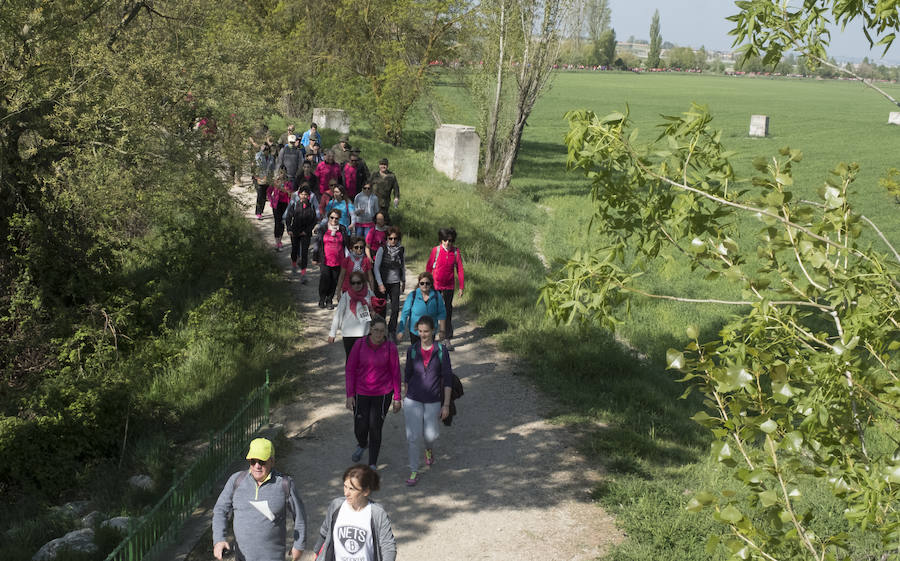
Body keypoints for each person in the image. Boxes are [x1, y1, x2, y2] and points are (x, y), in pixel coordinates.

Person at [212, 438, 307, 561]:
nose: (257, 466)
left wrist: (299, 545)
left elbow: (300, 516)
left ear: (272, 461)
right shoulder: (236, 481)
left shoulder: (285, 484)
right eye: (253, 461)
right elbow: (220, 510)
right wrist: (219, 539)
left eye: (262, 461)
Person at [402, 315, 453, 486]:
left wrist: (446, 404)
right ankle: (414, 470)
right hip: (413, 399)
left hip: (433, 399)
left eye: (426, 331)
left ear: (433, 331)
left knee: (431, 434)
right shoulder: (412, 350)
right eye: (420, 331)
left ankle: (429, 450)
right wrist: (404, 395)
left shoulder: (441, 351)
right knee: (413, 437)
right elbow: (407, 375)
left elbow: (447, 379)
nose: (423, 335)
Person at [345, 318, 402, 467]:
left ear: (385, 333)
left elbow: (396, 373)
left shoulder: (390, 348)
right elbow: (350, 369)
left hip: (382, 394)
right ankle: (362, 444)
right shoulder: (359, 345)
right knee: (360, 426)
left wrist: (397, 397)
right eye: (376, 330)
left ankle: (372, 464)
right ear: (370, 329)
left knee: (375, 427)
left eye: (382, 331)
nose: (378, 334)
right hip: (361, 392)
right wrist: (350, 394)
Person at [313, 465, 396, 561]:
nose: (346, 493)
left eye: (352, 489)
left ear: (366, 491)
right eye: (345, 486)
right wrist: (316, 554)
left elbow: (388, 547)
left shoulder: (377, 514)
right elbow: (324, 531)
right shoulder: (336, 506)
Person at [426, 227, 465, 351]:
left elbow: (460, 269)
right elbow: (428, 268)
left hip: (449, 285)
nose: (448, 243)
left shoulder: (455, 252)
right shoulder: (435, 251)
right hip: (436, 284)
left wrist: (461, 286)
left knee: (447, 311)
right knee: (433, 310)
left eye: (450, 240)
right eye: (445, 240)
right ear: (441, 240)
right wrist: (426, 285)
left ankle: (446, 338)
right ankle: (431, 336)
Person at [312, 209, 351, 309]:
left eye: (336, 218)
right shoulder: (323, 228)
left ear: (339, 219)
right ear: (328, 218)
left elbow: (347, 243)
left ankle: (329, 300)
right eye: (332, 217)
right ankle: (322, 299)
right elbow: (317, 244)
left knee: (334, 281)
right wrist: (315, 257)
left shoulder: (342, 229)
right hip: (325, 259)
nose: (334, 220)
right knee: (324, 279)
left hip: (339, 260)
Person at [329, 271, 374, 359]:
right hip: (349, 334)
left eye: (358, 283)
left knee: (364, 360)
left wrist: (373, 312)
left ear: (363, 282)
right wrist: (332, 333)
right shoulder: (346, 296)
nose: (356, 285)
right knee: (350, 360)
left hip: (364, 333)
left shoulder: (369, 294)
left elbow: (376, 308)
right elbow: (338, 315)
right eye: (353, 283)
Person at [397, 272, 447, 346]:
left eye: (427, 283)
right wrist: (401, 331)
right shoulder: (412, 296)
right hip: (415, 332)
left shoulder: (436, 296)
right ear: (419, 284)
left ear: (431, 284)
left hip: (430, 331)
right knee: (416, 354)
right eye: (422, 283)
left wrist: (442, 330)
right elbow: (404, 314)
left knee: (428, 354)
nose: (425, 285)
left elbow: (442, 313)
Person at [374, 227, 405, 341]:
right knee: (382, 308)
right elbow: (376, 268)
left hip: (395, 282)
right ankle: (381, 331)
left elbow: (403, 266)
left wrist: (404, 280)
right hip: (383, 282)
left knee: (395, 308)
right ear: (386, 238)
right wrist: (380, 284)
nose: (392, 241)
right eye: (390, 238)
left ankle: (392, 331)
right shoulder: (382, 249)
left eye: (395, 239)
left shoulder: (401, 250)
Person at [285, 185, 318, 281]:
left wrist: (306, 231)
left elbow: (314, 221)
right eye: (302, 194)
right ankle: (294, 266)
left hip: (305, 233)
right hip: (295, 231)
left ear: (308, 196)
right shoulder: (294, 205)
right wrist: (289, 229)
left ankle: (303, 274)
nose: (303, 196)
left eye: (305, 194)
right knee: (294, 251)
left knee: (304, 253)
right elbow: (288, 217)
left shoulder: (311, 207)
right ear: (299, 195)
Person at [267, 169, 292, 250]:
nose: (282, 174)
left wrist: (287, 191)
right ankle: (277, 241)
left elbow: (291, 193)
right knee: (277, 222)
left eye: (283, 172)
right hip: (276, 205)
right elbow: (268, 192)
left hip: (285, 204)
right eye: (280, 172)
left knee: (282, 222)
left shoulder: (288, 183)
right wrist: (271, 200)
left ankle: (280, 240)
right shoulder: (275, 182)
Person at [368, 158, 399, 222]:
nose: (383, 166)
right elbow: (368, 185)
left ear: (387, 165)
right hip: (374, 201)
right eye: (381, 164)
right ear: (379, 166)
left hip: (385, 202)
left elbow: (396, 188)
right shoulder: (374, 174)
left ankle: (383, 231)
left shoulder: (391, 176)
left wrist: (396, 197)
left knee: (383, 219)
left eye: (385, 164)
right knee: (373, 219)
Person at [253, 144, 276, 220]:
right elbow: (255, 168)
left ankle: (261, 211)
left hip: (268, 179)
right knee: (260, 195)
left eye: (266, 151)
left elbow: (273, 168)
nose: (264, 152)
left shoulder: (271, 158)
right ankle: (258, 212)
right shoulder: (258, 156)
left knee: (264, 197)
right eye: (263, 151)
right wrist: (256, 177)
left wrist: (273, 178)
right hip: (259, 179)